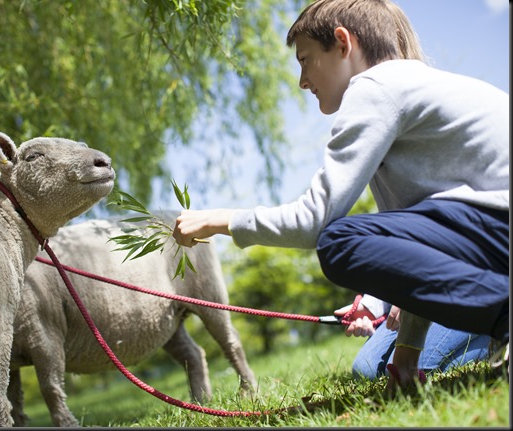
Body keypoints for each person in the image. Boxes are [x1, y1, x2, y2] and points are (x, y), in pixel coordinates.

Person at [172, 0, 509, 392]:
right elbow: (420, 256)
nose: (301, 80)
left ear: (343, 43)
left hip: (496, 228)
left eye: (306, 59)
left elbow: (314, 222)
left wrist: (220, 219)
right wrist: (406, 359)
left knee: (338, 240)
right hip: (493, 233)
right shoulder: (408, 91)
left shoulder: (375, 87)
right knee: (371, 357)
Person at [334, 299, 491, 380]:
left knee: (417, 368)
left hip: (473, 284)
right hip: (416, 289)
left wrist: (416, 291)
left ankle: (500, 330)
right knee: (365, 370)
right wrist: (370, 307)